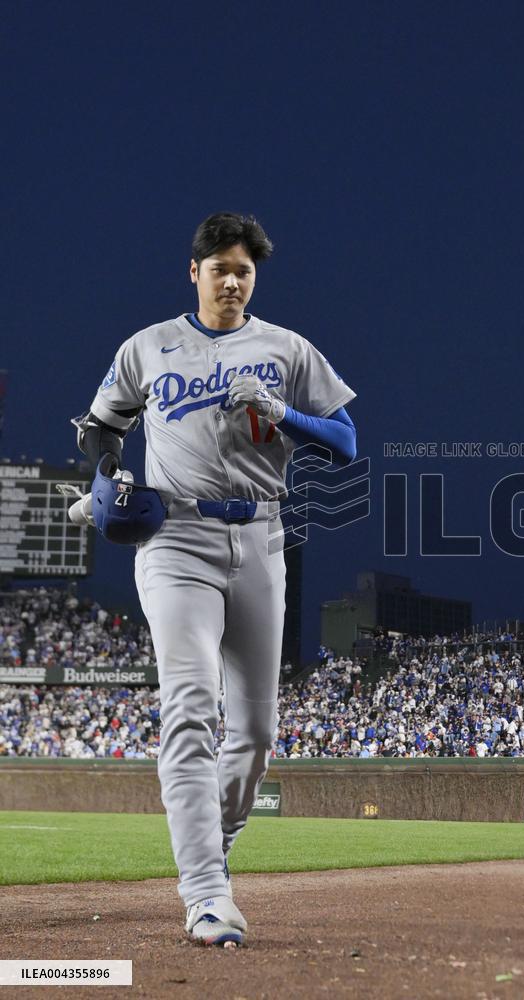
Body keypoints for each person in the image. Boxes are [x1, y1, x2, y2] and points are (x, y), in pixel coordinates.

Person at [70, 213, 357, 945]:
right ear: (192, 271)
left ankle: (212, 857)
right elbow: (102, 424)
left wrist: (284, 411)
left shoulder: (285, 349)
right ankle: (203, 893)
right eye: (219, 267)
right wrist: (109, 475)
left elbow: (347, 443)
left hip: (263, 538)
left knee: (257, 734)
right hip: (176, 539)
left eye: (245, 271)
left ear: (254, 280)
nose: (232, 280)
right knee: (192, 704)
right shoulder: (148, 346)